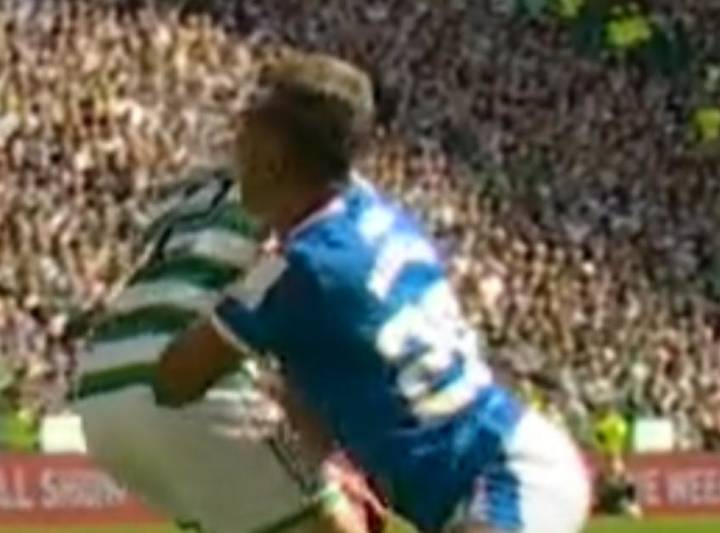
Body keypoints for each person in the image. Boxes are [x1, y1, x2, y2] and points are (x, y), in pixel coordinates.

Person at [155, 53, 591, 533]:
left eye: (246, 131)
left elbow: (176, 377)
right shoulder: (362, 209)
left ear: (275, 151)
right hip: (512, 458)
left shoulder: (297, 270)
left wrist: (217, 274)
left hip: (502, 482)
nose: (235, 151)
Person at [74, 167, 383, 533]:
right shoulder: (325, 189)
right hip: (192, 379)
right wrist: (327, 456)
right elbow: (278, 281)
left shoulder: (195, 190)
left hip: (100, 391)